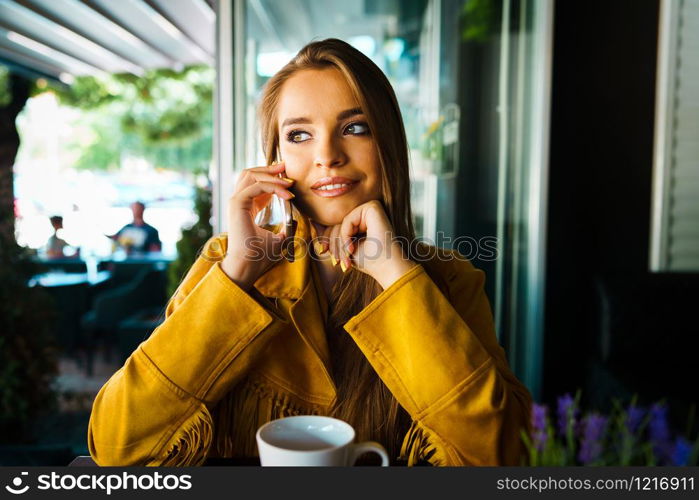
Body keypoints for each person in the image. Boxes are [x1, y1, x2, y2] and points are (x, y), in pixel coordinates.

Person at [88, 38, 533, 466]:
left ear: (389, 146)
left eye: (355, 128)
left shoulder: (447, 277)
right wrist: (237, 274)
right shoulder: (227, 263)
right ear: (274, 157)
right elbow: (116, 445)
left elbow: (500, 457)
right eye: (299, 135)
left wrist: (397, 276)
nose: (327, 155)